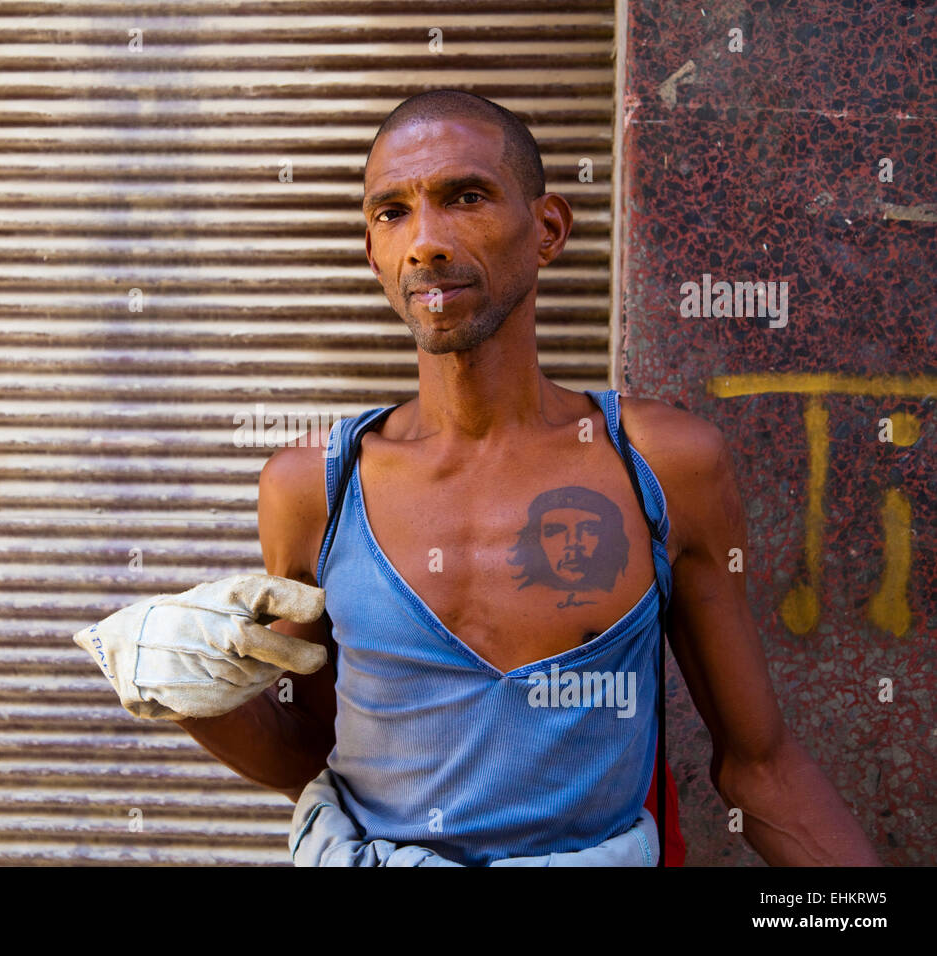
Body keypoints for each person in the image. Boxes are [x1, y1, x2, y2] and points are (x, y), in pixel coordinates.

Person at [78, 90, 880, 867]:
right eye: (392, 212)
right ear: (372, 253)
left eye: (465, 197)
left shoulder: (661, 465)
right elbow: (312, 754)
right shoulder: (311, 487)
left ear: (548, 228)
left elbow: (759, 766)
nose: (425, 241)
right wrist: (188, 691)